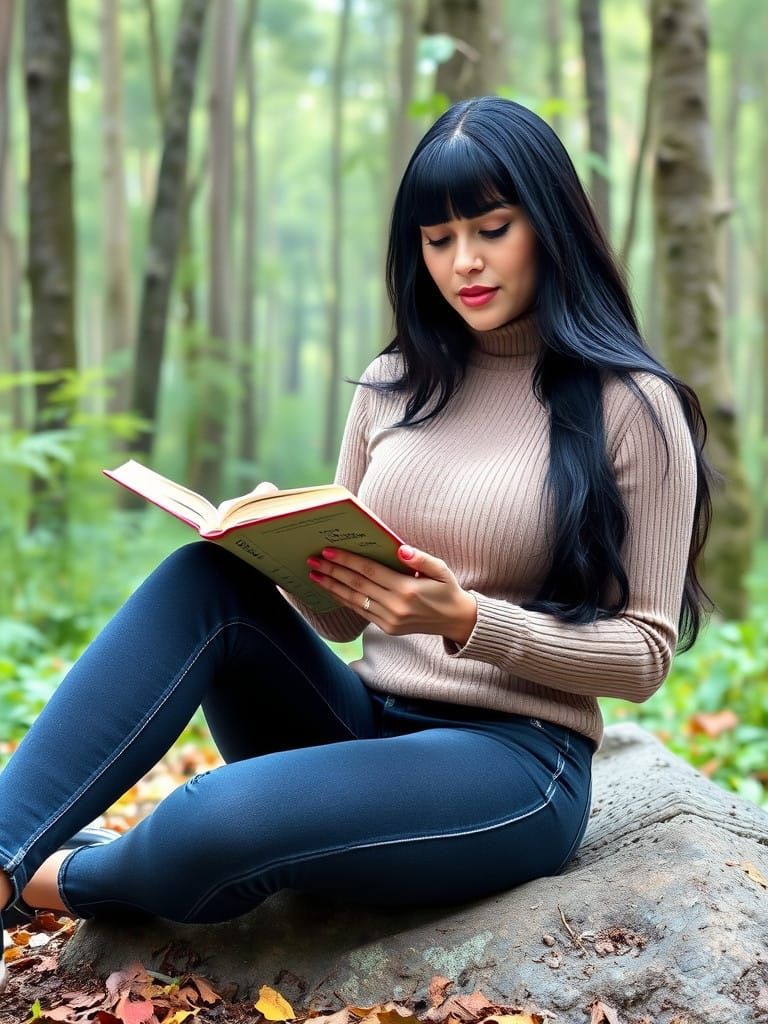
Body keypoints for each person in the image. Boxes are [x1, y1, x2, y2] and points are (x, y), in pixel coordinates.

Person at [0, 96, 713, 993]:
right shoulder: (395, 383)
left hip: (514, 764)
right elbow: (339, 621)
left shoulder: (633, 406)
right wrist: (274, 548)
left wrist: (469, 621)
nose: (463, 263)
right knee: (205, 577)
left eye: (492, 229)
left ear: (552, 223)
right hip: (363, 721)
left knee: (213, 816)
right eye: (437, 239)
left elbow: (645, 655)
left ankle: (54, 878)